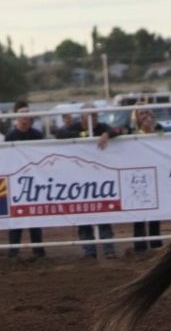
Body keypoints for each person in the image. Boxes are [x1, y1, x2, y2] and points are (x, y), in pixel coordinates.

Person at [53, 105, 118, 258]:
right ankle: (89, 251)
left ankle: (109, 249)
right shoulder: (74, 127)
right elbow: (60, 134)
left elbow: (119, 130)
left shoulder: (102, 127)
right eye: (89, 116)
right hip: (78, 178)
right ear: (82, 117)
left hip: (99, 177)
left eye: (95, 115)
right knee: (83, 214)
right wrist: (83, 135)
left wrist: (107, 134)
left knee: (103, 213)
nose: (93, 118)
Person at [4, 103, 46, 258]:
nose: (25, 117)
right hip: (16, 182)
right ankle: (13, 253)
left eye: (28, 113)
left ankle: (39, 251)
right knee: (16, 217)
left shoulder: (37, 135)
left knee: (34, 216)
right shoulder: (10, 136)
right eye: (22, 113)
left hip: (35, 182)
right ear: (15, 116)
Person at [131, 108, 164, 253]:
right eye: (141, 113)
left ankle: (155, 243)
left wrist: (152, 130)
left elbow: (166, 141)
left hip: (157, 173)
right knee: (138, 209)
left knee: (155, 211)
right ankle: (140, 245)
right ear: (135, 117)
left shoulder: (159, 130)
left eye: (147, 113)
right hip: (136, 173)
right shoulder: (131, 133)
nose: (145, 116)